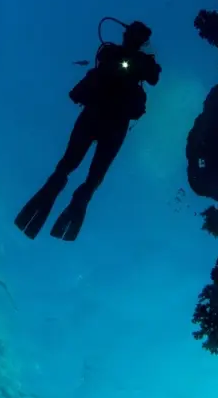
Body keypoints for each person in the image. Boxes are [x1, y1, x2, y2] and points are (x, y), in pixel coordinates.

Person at [15, 19, 161, 241]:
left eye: (138, 36)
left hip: (106, 118)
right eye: (134, 34)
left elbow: (153, 77)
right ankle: (59, 199)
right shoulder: (111, 52)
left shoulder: (140, 60)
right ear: (128, 35)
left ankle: (64, 201)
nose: (134, 38)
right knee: (75, 167)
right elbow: (108, 64)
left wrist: (140, 62)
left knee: (88, 173)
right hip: (103, 116)